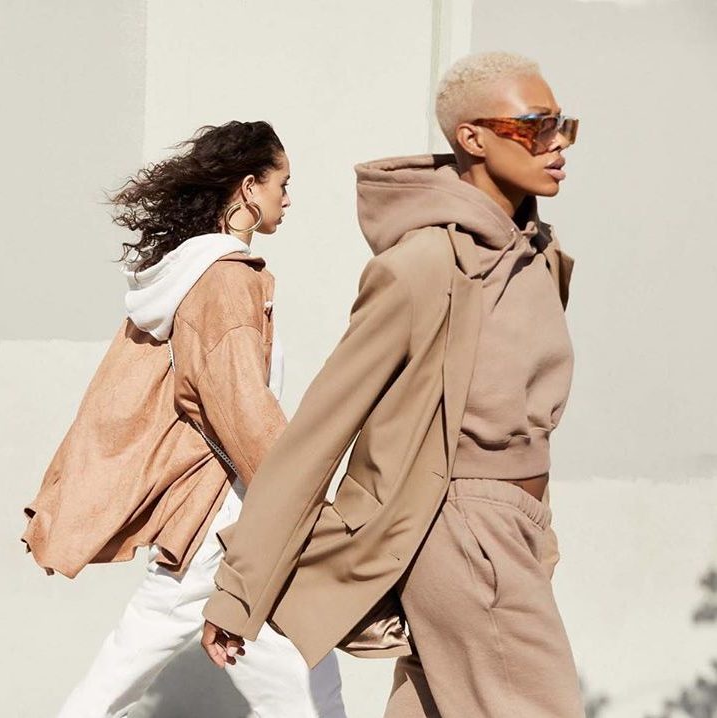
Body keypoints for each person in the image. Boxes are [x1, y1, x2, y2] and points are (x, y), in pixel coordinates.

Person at [200, 53, 586, 717]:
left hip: (519, 534)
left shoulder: (538, 258)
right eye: (533, 127)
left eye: (563, 126)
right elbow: (320, 431)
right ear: (472, 138)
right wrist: (241, 590)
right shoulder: (424, 267)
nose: (556, 144)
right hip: (461, 536)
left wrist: (536, 530)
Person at [22, 120, 346, 718]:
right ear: (249, 187)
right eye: (282, 183)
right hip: (224, 516)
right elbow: (241, 407)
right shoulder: (225, 279)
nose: (288, 198)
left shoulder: (196, 274)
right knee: (125, 673)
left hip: (234, 511)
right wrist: (298, 501)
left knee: (305, 684)